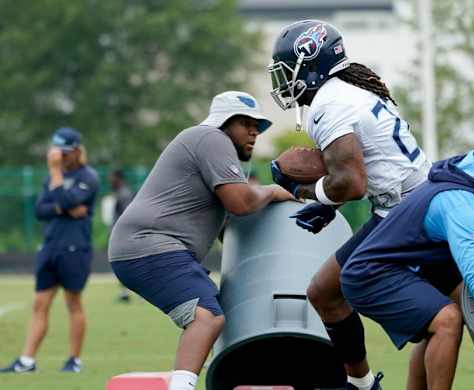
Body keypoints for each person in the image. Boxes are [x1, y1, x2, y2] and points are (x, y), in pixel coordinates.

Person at [268, 20, 431, 390]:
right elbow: (369, 167)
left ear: (308, 63)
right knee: (326, 292)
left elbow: (352, 183)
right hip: (408, 203)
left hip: (406, 212)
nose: (280, 81)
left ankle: (361, 385)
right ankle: (360, 384)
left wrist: (306, 189)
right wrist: (330, 204)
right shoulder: (348, 91)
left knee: (332, 291)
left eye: (284, 69)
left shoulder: (329, 103)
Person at [108, 91, 294, 390]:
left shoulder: (214, 149)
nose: (254, 132)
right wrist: (273, 191)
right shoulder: (212, 139)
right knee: (206, 317)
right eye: (245, 123)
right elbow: (240, 203)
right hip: (149, 244)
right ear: (224, 122)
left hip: (148, 246)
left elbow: (231, 226)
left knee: (220, 312)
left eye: (257, 126)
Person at [341, 124, 474, 390]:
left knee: (451, 313)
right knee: (447, 320)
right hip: (371, 275)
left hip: (396, 269)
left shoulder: (471, 184)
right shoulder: (463, 202)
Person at [1, 127, 99, 374]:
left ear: (77, 151)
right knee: (39, 303)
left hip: (75, 249)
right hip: (50, 247)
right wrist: (63, 206)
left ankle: (74, 360)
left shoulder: (88, 177)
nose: (59, 157)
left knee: (73, 303)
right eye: (57, 152)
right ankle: (27, 361)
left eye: (64, 153)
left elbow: (66, 201)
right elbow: (40, 210)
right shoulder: (51, 177)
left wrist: (57, 181)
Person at [108, 169, 134, 303]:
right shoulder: (121, 192)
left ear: (118, 178)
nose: (110, 180)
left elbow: (126, 215)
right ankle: (124, 293)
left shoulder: (124, 193)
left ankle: (130, 293)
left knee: (126, 264)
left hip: (124, 236)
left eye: (112, 177)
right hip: (121, 234)